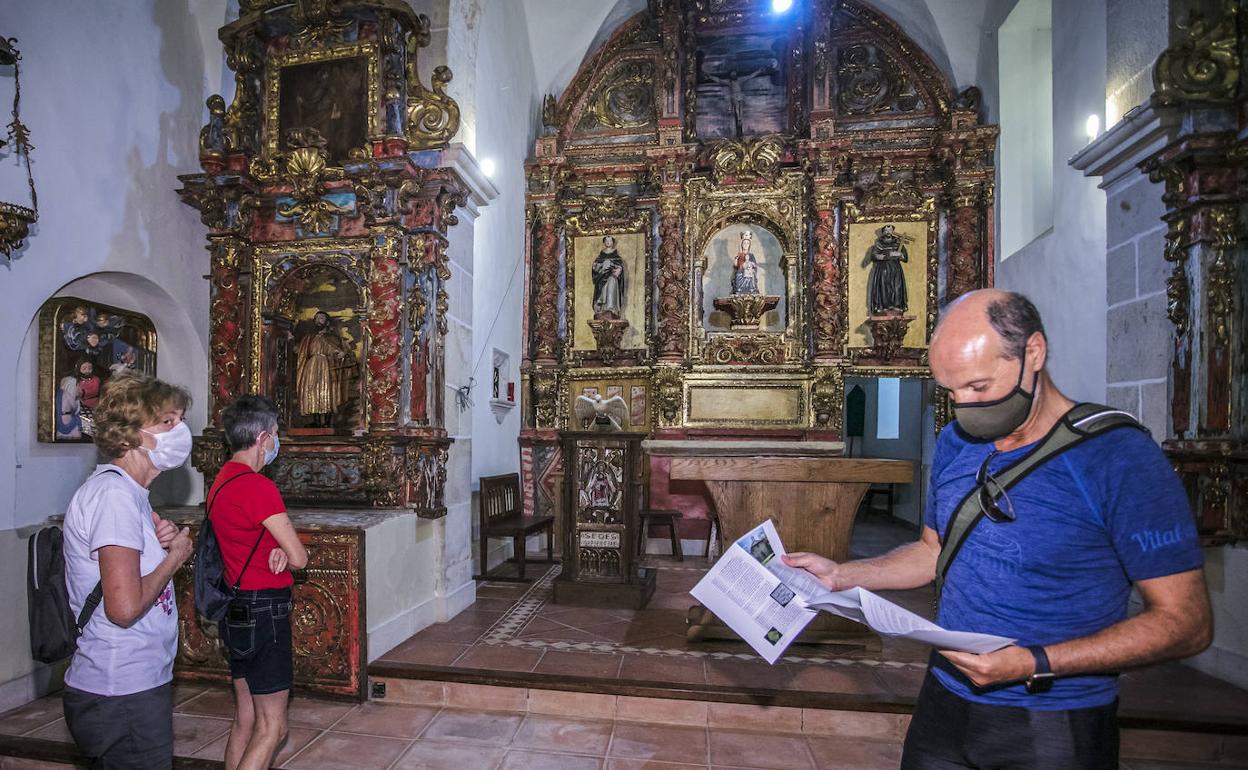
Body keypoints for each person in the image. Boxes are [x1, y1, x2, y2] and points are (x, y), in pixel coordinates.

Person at [784, 289, 1212, 769]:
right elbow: (933, 551)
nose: (964, 406)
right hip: (945, 701)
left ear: (1033, 352)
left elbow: (1186, 624)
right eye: (950, 392)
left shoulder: (1119, 459)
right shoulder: (956, 441)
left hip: (1053, 718)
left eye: (979, 388)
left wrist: (1034, 662)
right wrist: (844, 575)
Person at [61, 372, 195, 769]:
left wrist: (159, 545)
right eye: (168, 421)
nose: (181, 430)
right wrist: (175, 558)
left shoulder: (129, 494)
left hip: (131, 685)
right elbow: (122, 607)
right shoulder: (115, 496)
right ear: (130, 434)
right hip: (119, 689)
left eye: (181, 420)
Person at [210, 395, 307, 770]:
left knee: (246, 719)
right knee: (273, 728)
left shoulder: (220, 481)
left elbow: (245, 538)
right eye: (277, 434)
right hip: (265, 609)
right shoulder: (258, 486)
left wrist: (277, 548)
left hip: (235, 608)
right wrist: (288, 551)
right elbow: (299, 557)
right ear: (264, 438)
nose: (277, 441)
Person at [294, 311, 353, 428]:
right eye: (316, 318)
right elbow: (301, 352)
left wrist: (341, 354)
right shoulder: (309, 338)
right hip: (311, 366)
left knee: (327, 390)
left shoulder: (333, 338)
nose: (318, 320)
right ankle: (316, 420)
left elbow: (338, 351)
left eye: (321, 318)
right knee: (312, 391)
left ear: (327, 322)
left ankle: (327, 421)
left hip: (326, 365)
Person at [863, 224, 909, 315]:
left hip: (895, 269)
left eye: (890, 230)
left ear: (893, 231)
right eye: (886, 230)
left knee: (897, 287)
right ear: (883, 232)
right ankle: (883, 307)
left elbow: (905, 257)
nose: (888, 232)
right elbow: (874, 255)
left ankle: (897, 306)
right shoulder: (879, 244)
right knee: (884, 287)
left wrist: (900, 255)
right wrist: (878, 256)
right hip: (883, 269)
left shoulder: (898, 243)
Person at [590, 235, 626, 317]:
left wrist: (619, 269)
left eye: (610, 241)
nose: (608, 242)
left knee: (611, 282)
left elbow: (619, 267)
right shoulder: (600, 257)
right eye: (606, 241)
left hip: (612, 277)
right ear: (604, 243)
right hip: (602, 277)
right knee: (603, 287)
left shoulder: (617, 257)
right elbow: (595, 267)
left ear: (613, 243)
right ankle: (602, 308)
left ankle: (611, 307)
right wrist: (602, 266)